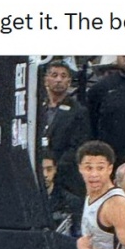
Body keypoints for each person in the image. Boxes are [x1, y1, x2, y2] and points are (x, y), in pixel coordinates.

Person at [39, 61, 90, 197]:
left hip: (64, 176)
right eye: (54, 75)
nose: (58, 80)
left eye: (63, 76)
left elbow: (78, 146)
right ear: (46, 79)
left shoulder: (78, 111)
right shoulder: (35, 107)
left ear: (69, 81)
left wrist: (55, 167)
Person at [41, 154, 82, 236]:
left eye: (49, 169)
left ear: (55, 169)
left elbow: (77, 234)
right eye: (41, 170)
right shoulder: (27, 200)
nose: (45, 175)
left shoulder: (70, 201)